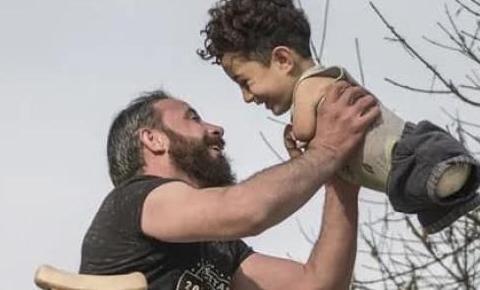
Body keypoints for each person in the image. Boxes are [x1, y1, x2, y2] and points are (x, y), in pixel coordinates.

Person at [198, 0, 480, 234]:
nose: (247, 97)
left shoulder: (311, 85)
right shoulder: (324, 88)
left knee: (431, 176)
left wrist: (297, 142)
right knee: (432, 191)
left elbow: (304, 131)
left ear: (283, 60)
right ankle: (452, 187)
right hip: (402, 171)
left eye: (245, 82)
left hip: (407, 154)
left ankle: (450, 177)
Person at [80, 86, 379, 290]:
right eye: (193, 118)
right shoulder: (134, 200)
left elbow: (318, 284)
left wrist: (340, 183)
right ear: (153, 140)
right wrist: (327, 151)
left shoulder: (220, 248)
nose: (216, 128)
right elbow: (247, 210)